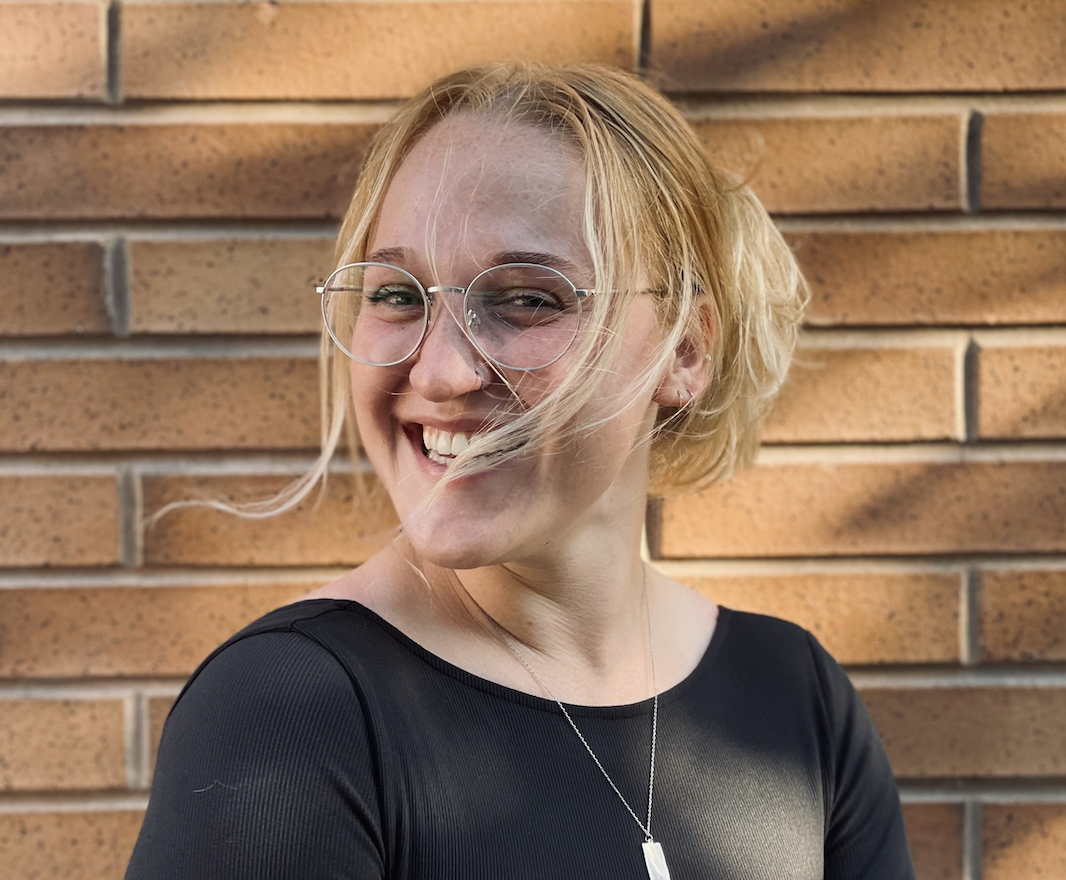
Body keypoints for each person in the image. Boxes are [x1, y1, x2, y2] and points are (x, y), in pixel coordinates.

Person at [125, 64, 915, 880]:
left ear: (685, 349)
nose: (440, 372)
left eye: (528, 299)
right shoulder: (289, 712)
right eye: (397, 295)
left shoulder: (794, 697)